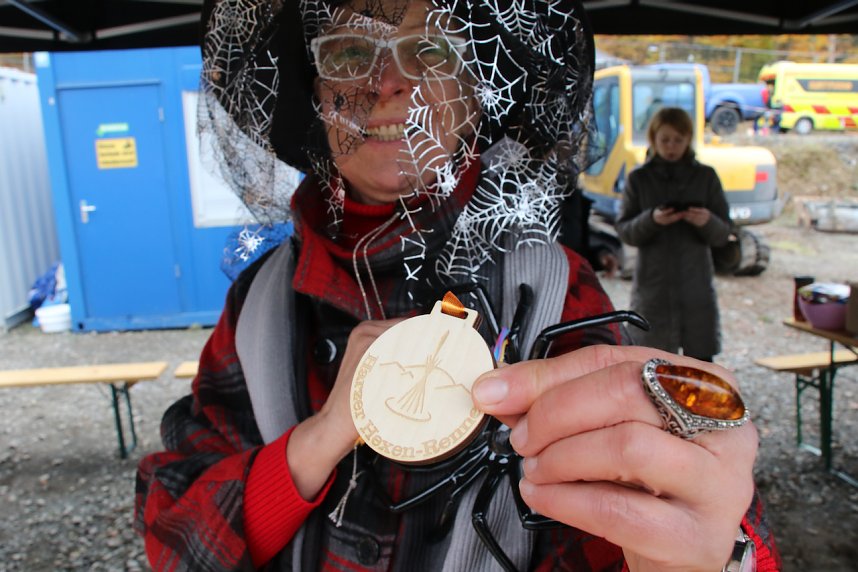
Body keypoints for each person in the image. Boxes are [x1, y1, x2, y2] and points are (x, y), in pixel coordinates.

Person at [135, 2, 780, 570]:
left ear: (477, 95)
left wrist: (694, 550)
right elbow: (177, 534)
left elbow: (615, 535)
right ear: (315, 90)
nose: (388, 83)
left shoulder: (554, 295)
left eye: (432, 50)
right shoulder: (257, 310)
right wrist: (318, 437)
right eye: (351, 50)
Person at [615, 107, 731, 363]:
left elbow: (724, 234)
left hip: (696, 290)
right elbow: (625, 231)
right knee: (653, 369)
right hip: (653, 291)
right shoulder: (639, 180)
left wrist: (706, 221)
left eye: (678, 140)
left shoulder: (706, 177)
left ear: (689, 139)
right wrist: (651, 220)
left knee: (699, 374)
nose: (671, 146)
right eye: (665, 139)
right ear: (653, 139)